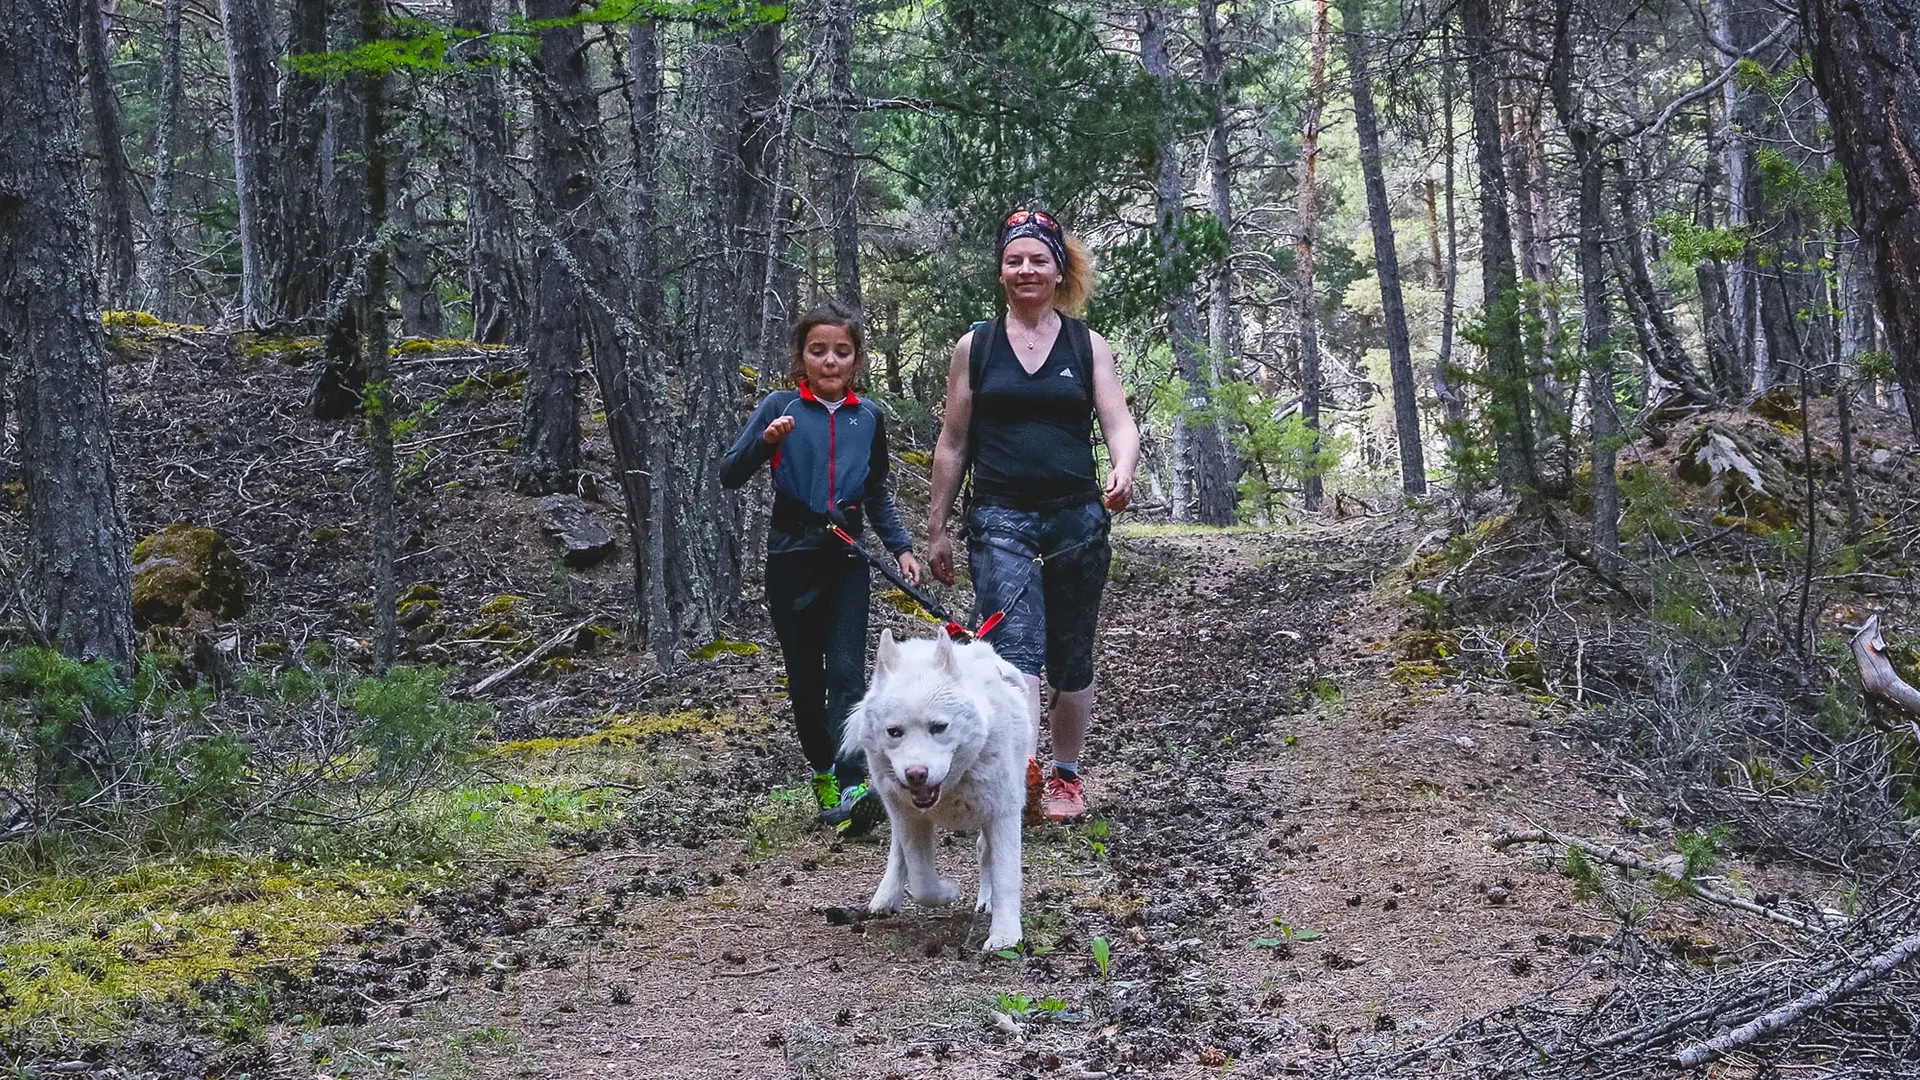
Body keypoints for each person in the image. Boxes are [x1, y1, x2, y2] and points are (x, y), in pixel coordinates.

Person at [925, 208, 1140, 823]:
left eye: (1037, 260)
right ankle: (1022, 766)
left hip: (1076, 519)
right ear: (1001, 271)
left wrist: (1122, 468)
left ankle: (1067, 776)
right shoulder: (976, 347)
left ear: (1057, 269)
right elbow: (954, 440)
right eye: (1014, 260)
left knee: (1071, 652)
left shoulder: (1085, 344)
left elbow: (1119, 422)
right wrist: (937, 526)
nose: (1025, 270)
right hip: (1000, 518)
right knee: (1013, 651)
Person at [721, 302, 920, 836]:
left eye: (841, 351)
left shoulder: (868, 416)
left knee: (849, 674)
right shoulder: (779, 407)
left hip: (847, 557)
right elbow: (729, 473)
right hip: (791, 556)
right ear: (801, 357)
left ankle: (856, 782)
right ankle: (824, 772)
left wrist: (901, 547)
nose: (829, 361)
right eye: (818, 351)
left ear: (855, 360)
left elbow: (876, 491)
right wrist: (767, 444)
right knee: (806, 683)